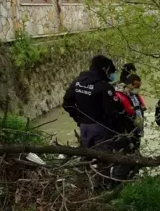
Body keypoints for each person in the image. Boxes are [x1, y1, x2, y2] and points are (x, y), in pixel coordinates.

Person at [62, 54, 121, 190]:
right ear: (105, 69)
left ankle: (84, 187)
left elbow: (67, 103)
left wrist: (79, 118)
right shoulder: (103, 87)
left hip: (84, 127)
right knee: (104, 160)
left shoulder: (78, 82)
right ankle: (103, 189)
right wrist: (114, 130)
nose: (111, 74)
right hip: (101, 128)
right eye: (110, 71)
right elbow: (112, 113)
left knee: (86, 158)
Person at [112, 74, 146, 181]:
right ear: (129, 84)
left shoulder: (135, 96)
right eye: (135, 86)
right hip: (125, 132)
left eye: (139, 86)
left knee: (135, 156)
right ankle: (119, 181)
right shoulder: (118, 96)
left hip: (136, 131)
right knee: (124, 157)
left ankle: (134, 178)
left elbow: (139, 111)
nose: (137, 89)